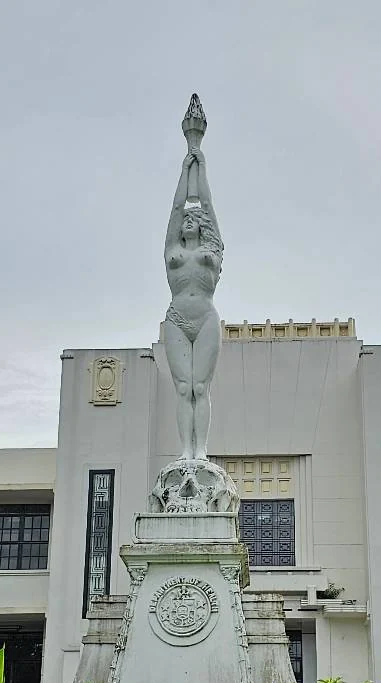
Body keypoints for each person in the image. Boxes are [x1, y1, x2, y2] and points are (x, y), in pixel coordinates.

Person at [161, 144, 223, 460]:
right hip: (177, 319)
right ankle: (186, 450)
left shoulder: (213, 250)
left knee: (201, 388)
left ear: (201, 225)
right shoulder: (172, 249)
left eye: (193, 218)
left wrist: (201, 163)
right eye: (185, 219)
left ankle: (201, 450)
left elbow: (208, 206)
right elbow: (175, 209)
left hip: (206, 319)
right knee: (184, 388)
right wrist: (184, 170)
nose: (187, 220)